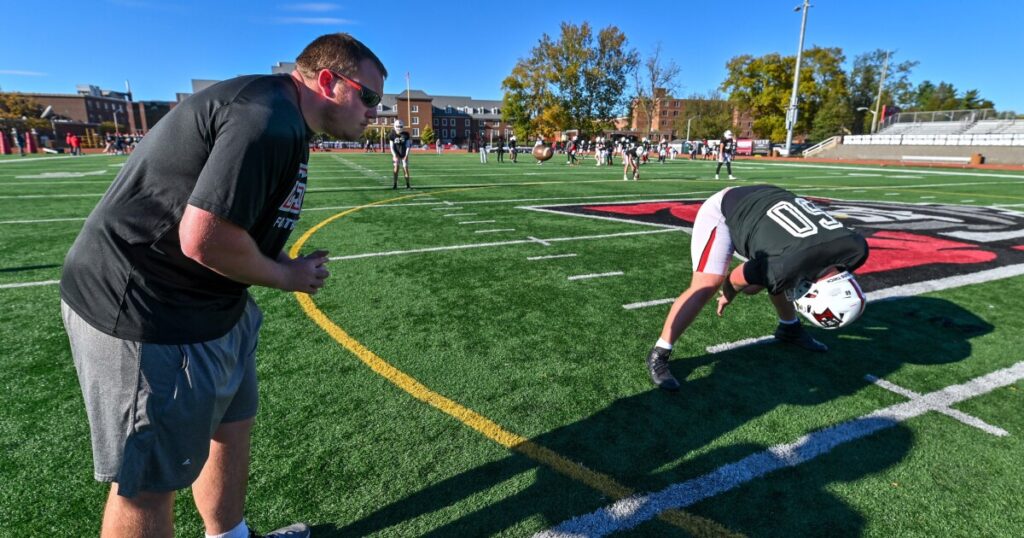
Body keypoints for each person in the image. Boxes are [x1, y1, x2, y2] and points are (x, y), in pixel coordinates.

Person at [59, 33, 386, 538]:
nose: (373, 112)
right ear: (327, 81)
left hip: (212, 300)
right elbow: (202, 238)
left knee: (231, 427)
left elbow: (240, 222)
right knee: (146, 483)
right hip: (146, 306)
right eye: (368, 97)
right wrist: (286, 276)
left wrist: (278, 257)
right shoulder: (265, 117)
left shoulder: (285, 117)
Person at [645, 184, 869, 391]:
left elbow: (785, 268)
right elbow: (736, 279)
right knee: (707, 283)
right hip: (726, 209)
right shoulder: (783, 266)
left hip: (770, 201)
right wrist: (728, 295)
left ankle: (789, 328)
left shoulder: (857, 249)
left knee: (780, 276)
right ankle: (659, 352)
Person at [388, 119, 411, 189]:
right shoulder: (392, 134)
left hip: (404, 154)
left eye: (400, 126)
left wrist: (406, 155)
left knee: (405, 169)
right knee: (396, 169)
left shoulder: (406, 134)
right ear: (395, 126)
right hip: (396, 154)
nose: (399, 128)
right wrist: (395, 155)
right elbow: (391, 147)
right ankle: (395, 184)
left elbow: (408, 146)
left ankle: (408, 185)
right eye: (398, 126)